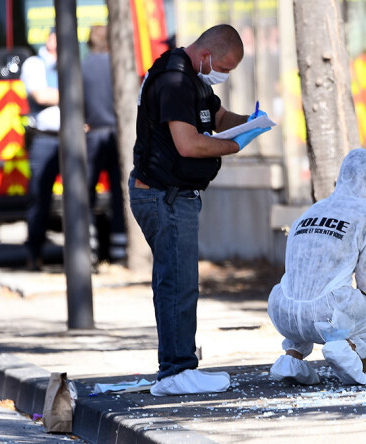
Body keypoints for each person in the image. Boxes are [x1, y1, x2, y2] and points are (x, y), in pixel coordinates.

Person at [129, 24, 271, 396]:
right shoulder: (175, 80)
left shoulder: (195, 79)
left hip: (173, 194)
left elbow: (218, 119)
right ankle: (176, 372)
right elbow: (189, 144)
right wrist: (234, 148)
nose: (225, 75)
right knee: (177, 284)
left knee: (179, 281)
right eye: (224, 67)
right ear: (206, 55)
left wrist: (252, 123)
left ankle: (177, 367)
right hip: (164, 195)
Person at [267, 148, 366, 386]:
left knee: (308, 293)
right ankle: (346, 350)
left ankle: (293, 358)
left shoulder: (310, 212)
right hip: (327, 317)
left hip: (283, 312)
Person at [82, 24, 126, 264]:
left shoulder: (82, 67)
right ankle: (119, 249)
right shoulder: (117, 66)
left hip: (93, 134)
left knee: (86, 192)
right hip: (117, 135)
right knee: (119, 193)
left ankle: (90, 249)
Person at [20, 28, 60, 271]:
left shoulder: (71, 61)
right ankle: (34, 254)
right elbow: (40, 95)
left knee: (83, 195)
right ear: (49, 38)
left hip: (72, 138)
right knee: (39, 197)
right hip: (44, 139)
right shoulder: (35, 64)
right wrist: (74, 92)